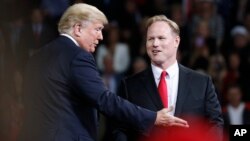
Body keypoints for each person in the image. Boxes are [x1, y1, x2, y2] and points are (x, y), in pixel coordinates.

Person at [17, 4, 189, 141]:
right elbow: (104, 99)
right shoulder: (78, 57)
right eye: (97, 29)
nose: (101, 37)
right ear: (78, 29)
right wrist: (152, 117)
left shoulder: (37, 57)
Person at [113, 15, 224, 141]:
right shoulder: (129, 86)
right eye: (150, 39)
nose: (155, 44)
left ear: (176, 41)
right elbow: (120, 129)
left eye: (161, 38)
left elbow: (214, 124)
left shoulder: (202, 83)